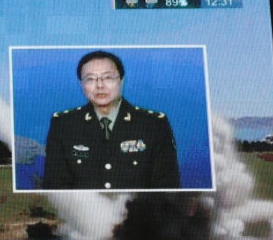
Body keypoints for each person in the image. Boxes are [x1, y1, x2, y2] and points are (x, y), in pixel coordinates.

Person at [42, 50, 181, 190]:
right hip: (79, 211)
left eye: (107, 78)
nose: (100, 86)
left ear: (121, 80)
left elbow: (167, 187)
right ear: (81, 84)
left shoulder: (153, 124)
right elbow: (55, 186)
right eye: (90, 79)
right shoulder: (64, 124)